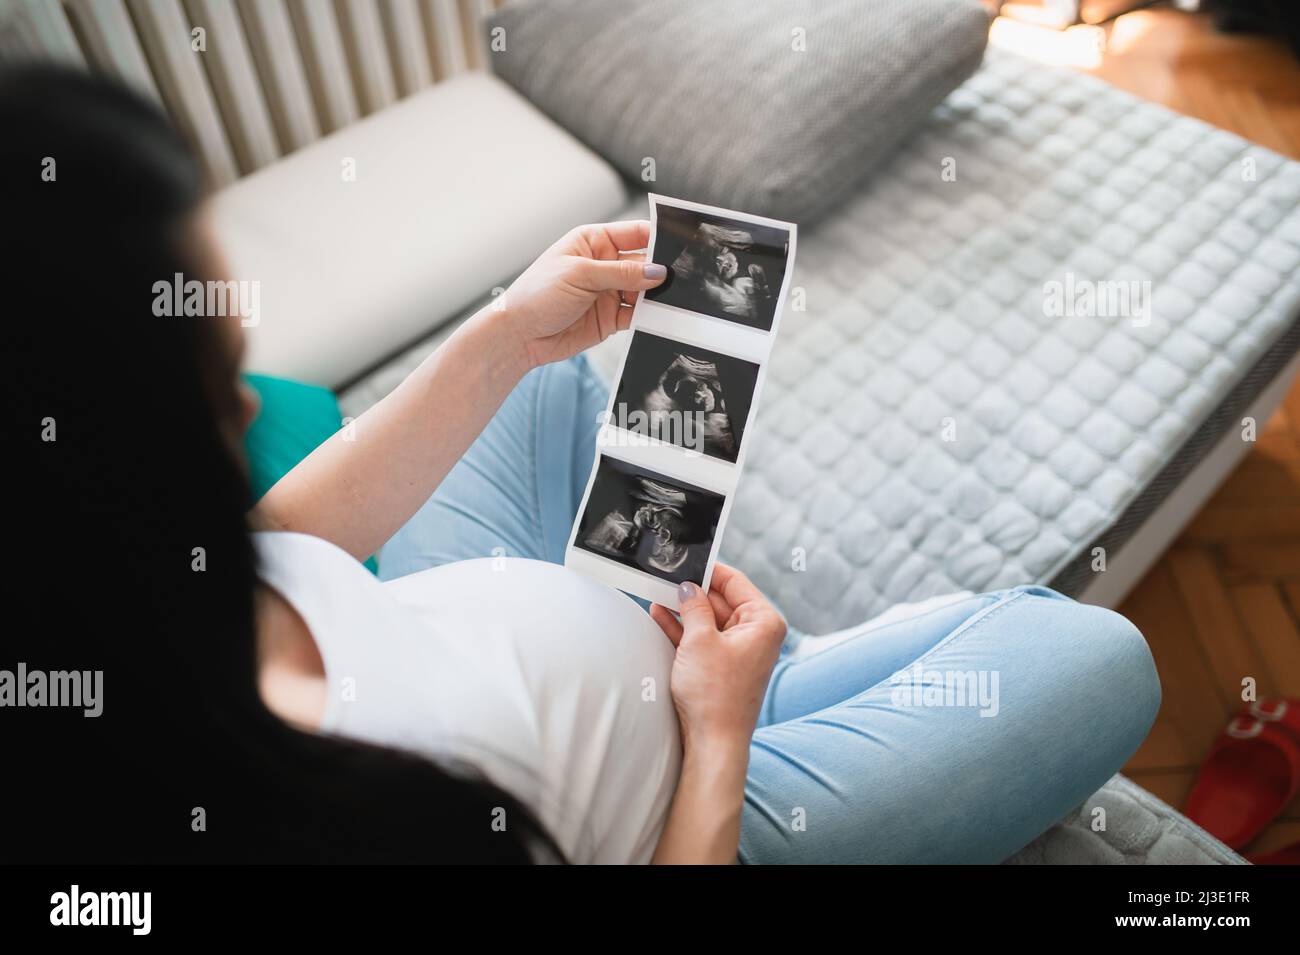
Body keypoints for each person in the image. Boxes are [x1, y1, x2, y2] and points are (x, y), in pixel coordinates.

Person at [4, 66, 1161, 864]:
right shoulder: (308, 826)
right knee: (1093, 652)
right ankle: (769, 688)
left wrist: (506, 330)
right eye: (216, 387)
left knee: (543, 376)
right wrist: (713, 732)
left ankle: (740, 663)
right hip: (678, 809)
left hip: (459, 619)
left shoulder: (130, 589)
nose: (255, 405)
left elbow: (285, 548)